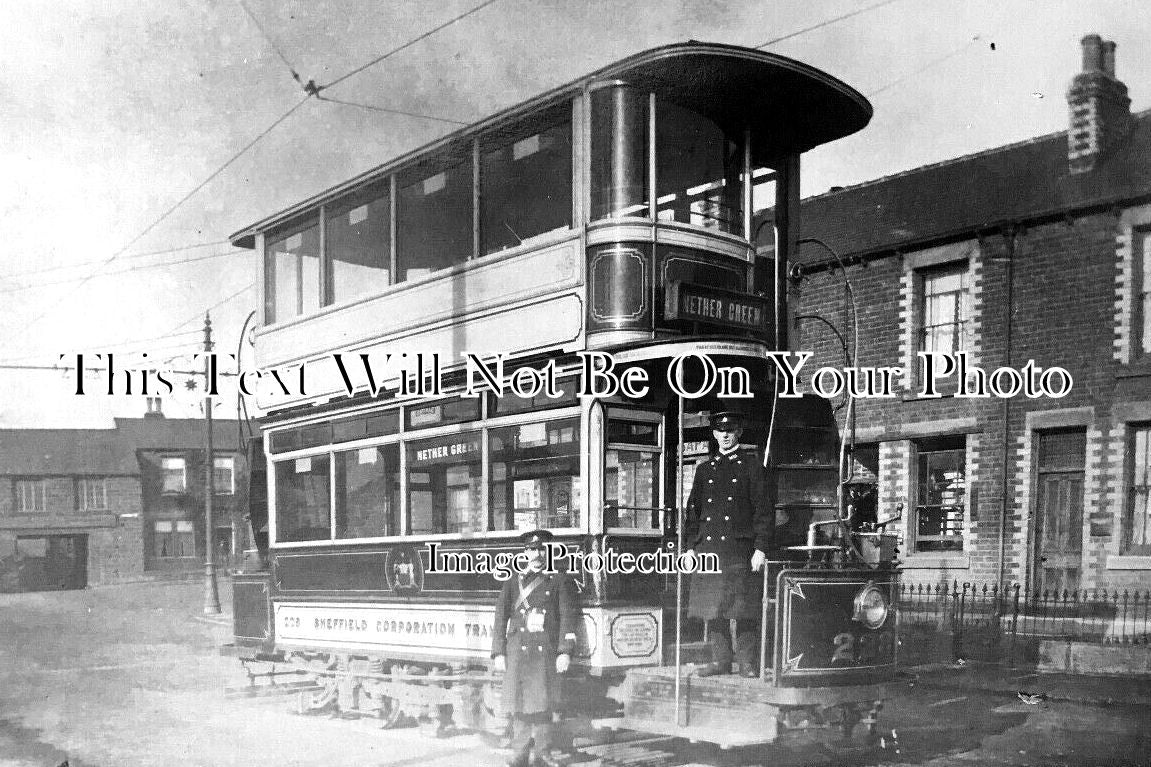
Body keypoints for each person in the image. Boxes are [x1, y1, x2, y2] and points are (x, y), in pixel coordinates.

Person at [682, 411, 774, 678]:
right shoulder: (704, 470)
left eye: (730, 430)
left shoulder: (753, 467)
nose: (725, 435)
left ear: (739, 433)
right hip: (708, 550)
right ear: (714, 434)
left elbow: (763, 512)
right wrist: (690, 547)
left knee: (742, 609)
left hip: (739, 550)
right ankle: (720, 661)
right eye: (720, 431)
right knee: (714, 609)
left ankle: (746, 662)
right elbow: (693, 512)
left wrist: (761, 548)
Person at [491, 529, 579, 767]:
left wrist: (564, 651)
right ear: (525, 552)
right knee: (520, 705)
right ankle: (519, 753)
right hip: (518, 651)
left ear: (547, 551)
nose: (537, 554)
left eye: (541, 549)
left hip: (544, 651)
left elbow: (567, 617)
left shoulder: (559, 581)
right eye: (532, 549)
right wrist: (498, 652)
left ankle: (542, 752)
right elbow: (500, 618)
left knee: (543, 704)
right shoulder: (513, 582)